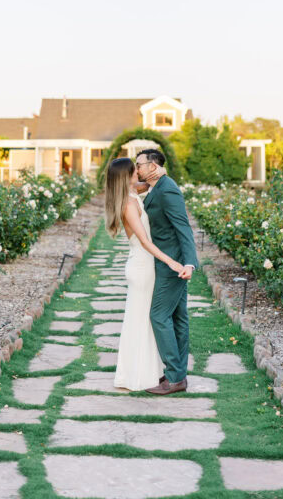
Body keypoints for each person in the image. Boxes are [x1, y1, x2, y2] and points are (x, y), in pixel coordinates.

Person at [104, 156, 190, 391]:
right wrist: (171, 262)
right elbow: (144, 241)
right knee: (143, 321)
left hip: (144, 265)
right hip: (143, 266)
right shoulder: (129, 204)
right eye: (135, 169)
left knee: (144, 320)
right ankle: (140, 375)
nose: (138, 172)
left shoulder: (132, 195)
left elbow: (152, 184)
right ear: (127, 175)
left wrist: (158, 174)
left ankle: (153, 373)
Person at [135, 148, 199, 394]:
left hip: (173, 264)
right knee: (178, 318)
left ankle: (174, 377)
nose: (137, 169)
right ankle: (178, 377)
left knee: (159, 316)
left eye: (139, 164)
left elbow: (183, 227)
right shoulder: (157, 186)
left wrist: (189, 263)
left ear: (153, 167)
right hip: (167, 262)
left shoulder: (168, 188)